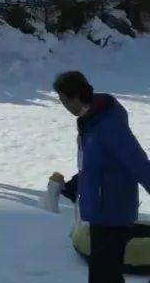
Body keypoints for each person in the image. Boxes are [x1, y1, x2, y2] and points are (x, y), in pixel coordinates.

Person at [52, 71, 150, 283]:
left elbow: (138, 162)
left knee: (104, 277)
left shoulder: (108, 125)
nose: (64, 106)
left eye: (65, 100)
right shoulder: (90, 121)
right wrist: (74, 185)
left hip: (113, 212)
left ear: (77, 95)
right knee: (104, 275)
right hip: (100, 211)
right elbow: (98, 166)